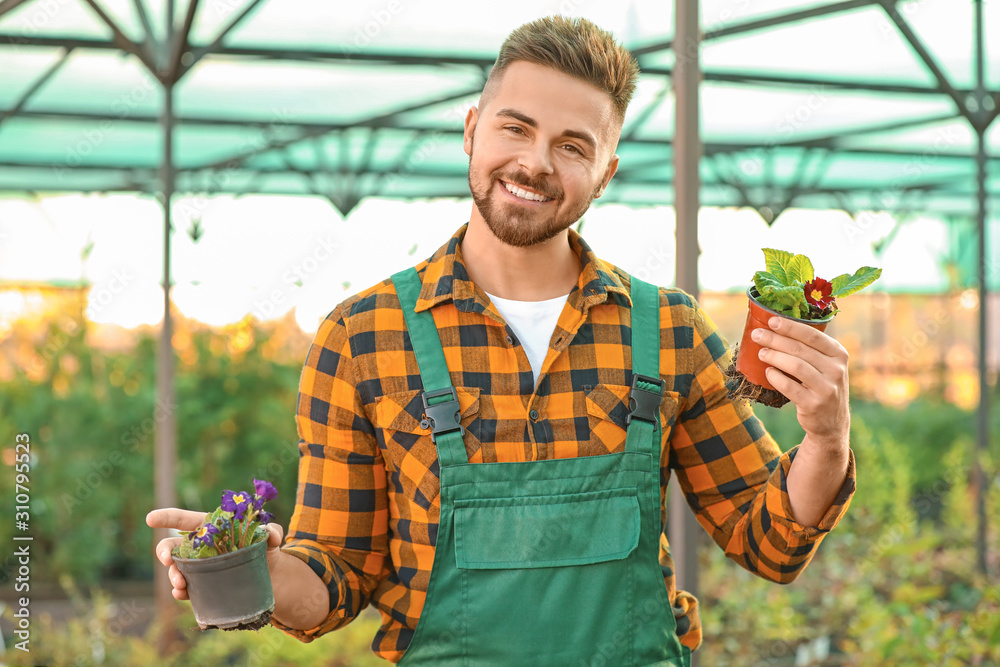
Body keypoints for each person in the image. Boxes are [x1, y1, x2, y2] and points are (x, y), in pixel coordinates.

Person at [148, 15, 856, 665]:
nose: (536, 162)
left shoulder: (669, 331)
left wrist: (826, 440)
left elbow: (767, 540)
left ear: (605, 173)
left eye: (572, 146)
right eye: (515, 128)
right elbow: (337, 567)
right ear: (472, 129)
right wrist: (264, 572)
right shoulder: (362, 338)